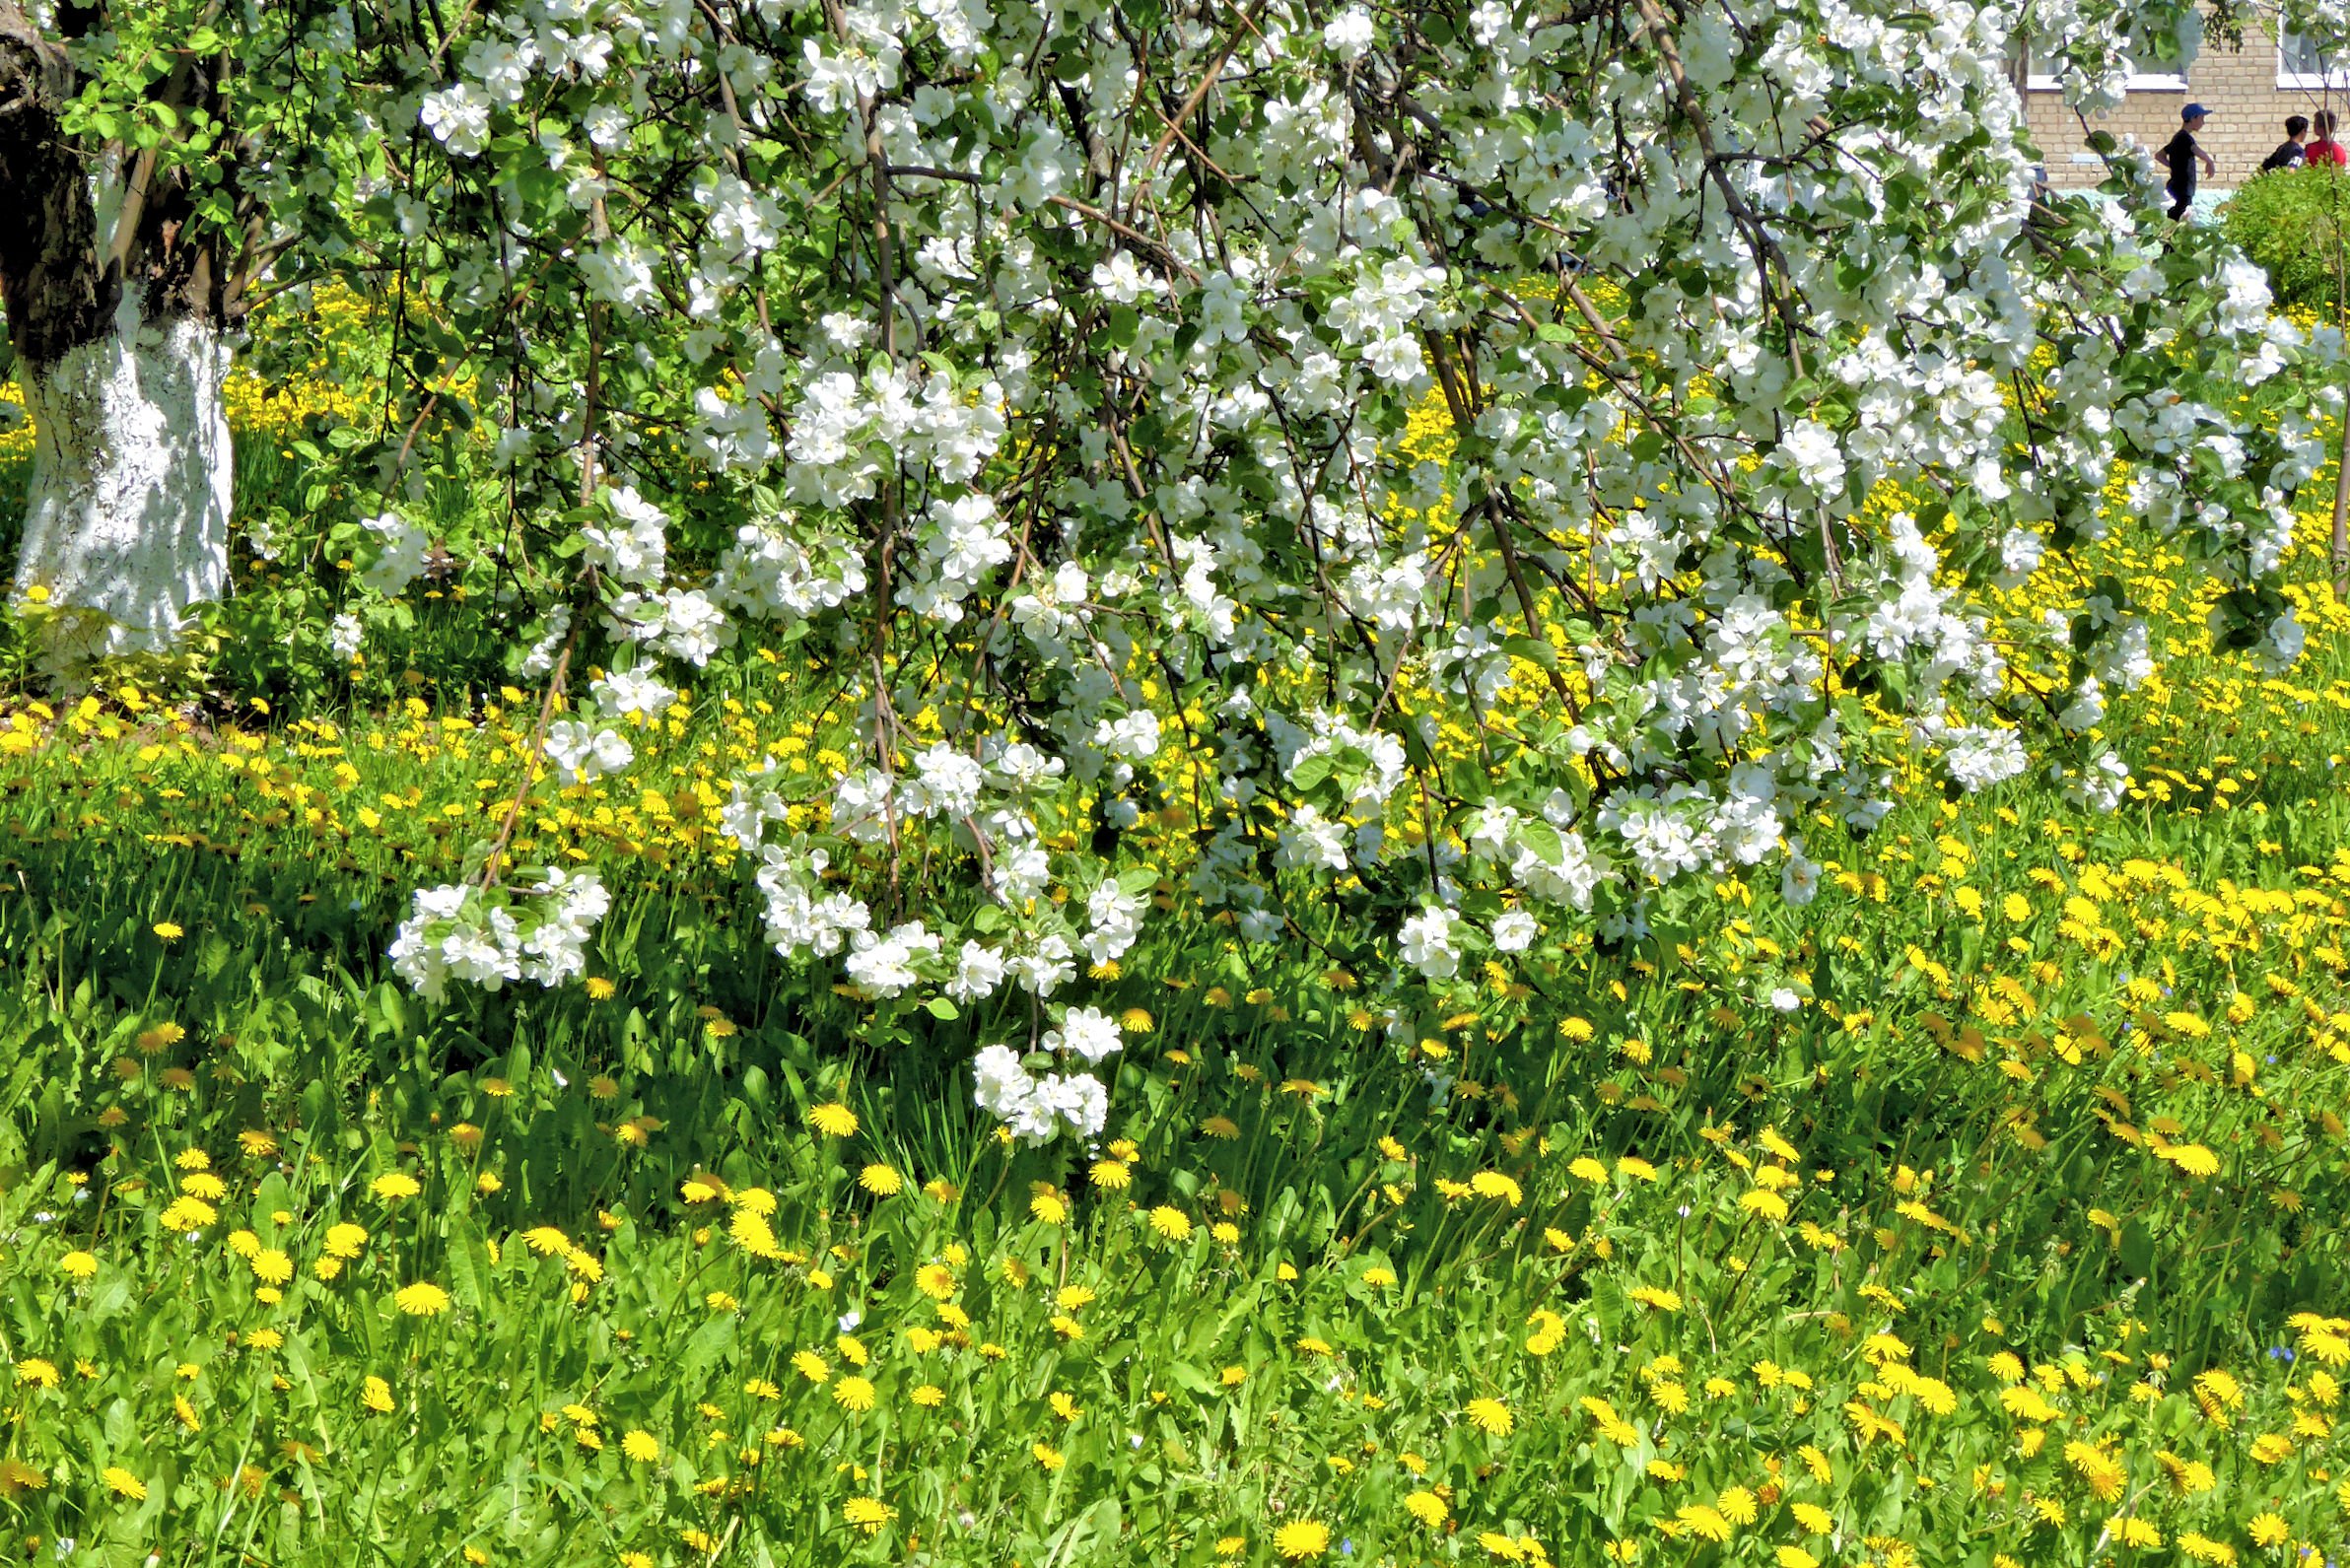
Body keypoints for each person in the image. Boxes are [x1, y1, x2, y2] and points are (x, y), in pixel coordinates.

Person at [2158, 103, 2217, 220]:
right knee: (2179, 213)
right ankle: (2167, 230)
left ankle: (2168, 227)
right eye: (2201, 118)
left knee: (2180, 211)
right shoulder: (2184, 138)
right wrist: (2210, 162)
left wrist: (2173, 166)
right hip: (2182, 185)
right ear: (2193, 118)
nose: (2203, 122)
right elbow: (2196, 150)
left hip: (2178, 184)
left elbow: (2159, 155)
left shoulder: (2179, 137)